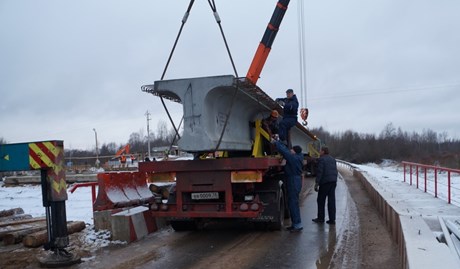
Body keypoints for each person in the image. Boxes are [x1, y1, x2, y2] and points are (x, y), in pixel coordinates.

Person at [272, 138, 304, 232]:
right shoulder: (298, 157)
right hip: (294, 180)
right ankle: (295, 224)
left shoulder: (293, 158)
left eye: (292, 149)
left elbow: (285, 152)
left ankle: (297, 225)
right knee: (292, 203)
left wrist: (276, 142)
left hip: (293, 180)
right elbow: (287, 152)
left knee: (293, 203)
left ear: (294, 151)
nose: (290, 150)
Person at [312, 146, 338, 225]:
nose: (319, 152)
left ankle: (320, 218)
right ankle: (332, 219)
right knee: (331, 201)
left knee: (321, 200)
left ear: (323, 152)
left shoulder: (322, 159)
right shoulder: (333, 159)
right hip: (333, 182)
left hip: (325, 182)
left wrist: (317, 183)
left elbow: (320, 172)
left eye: (320, 151)